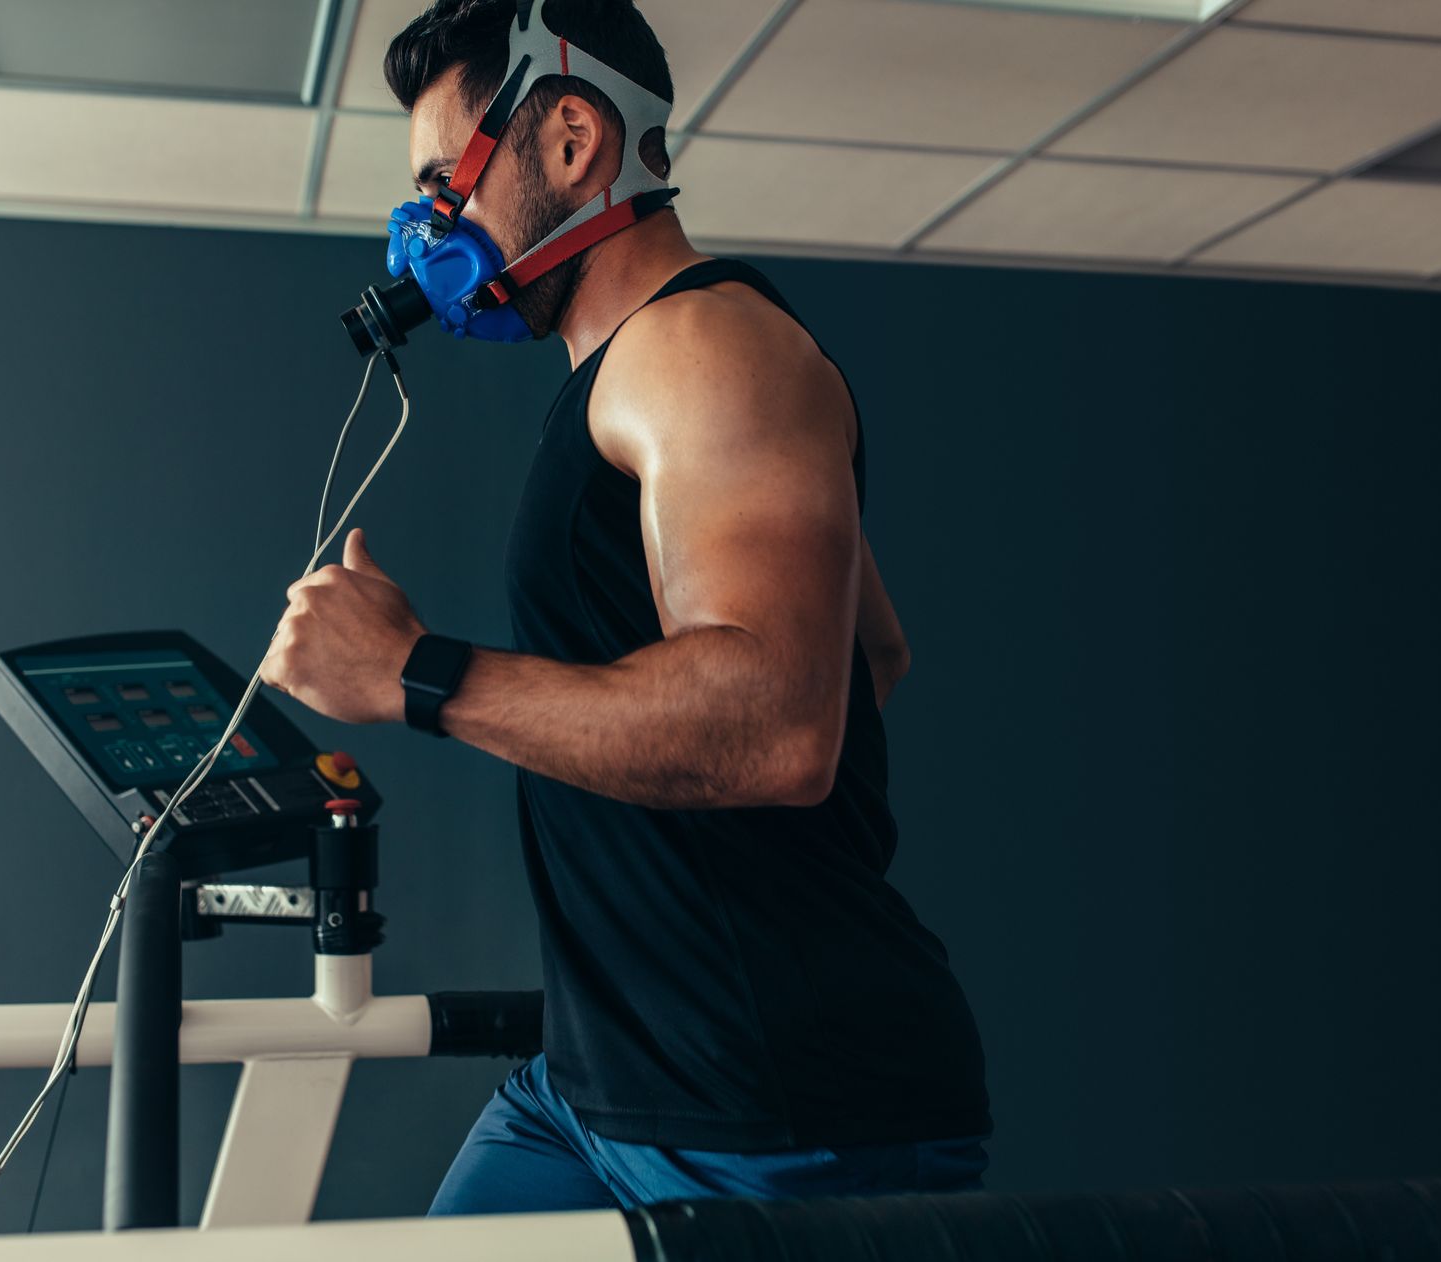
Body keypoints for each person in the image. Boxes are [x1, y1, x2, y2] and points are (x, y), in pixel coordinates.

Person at [260, 0, 993, 1214]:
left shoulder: (706, 349)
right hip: (603, 1083)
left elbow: (777, 724)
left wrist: (415, 675)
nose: (418, 232)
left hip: (772, 1104)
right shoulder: (629, 375)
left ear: (569, 141)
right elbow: (874, 651)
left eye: (447, 180)